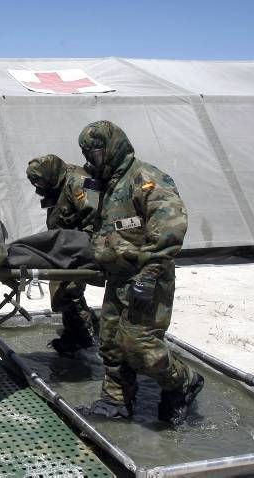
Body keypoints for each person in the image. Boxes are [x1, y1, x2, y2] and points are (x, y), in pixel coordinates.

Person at [75, 120, 204, 425]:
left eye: (95, 153)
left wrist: (150, 273)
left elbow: (171, 227)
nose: (91, 161)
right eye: (88, 155)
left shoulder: (145, 178)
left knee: (140, 347)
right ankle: (116, 402)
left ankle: (183, 381)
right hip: (119, 277)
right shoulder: (108, 183)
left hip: (148, 278)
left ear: (112, 148)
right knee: (110, 343)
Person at [26, 154, 100, 356]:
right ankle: (75, 334)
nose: (37, 187)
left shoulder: (79, 182)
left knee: (70, 293)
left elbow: (93, 218)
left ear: (51, 174)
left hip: (79, 249)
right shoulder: (53, 184)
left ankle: (87, 339)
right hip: (63, 249)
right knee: (61, 296)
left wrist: (82, 251)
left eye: (40, 181)